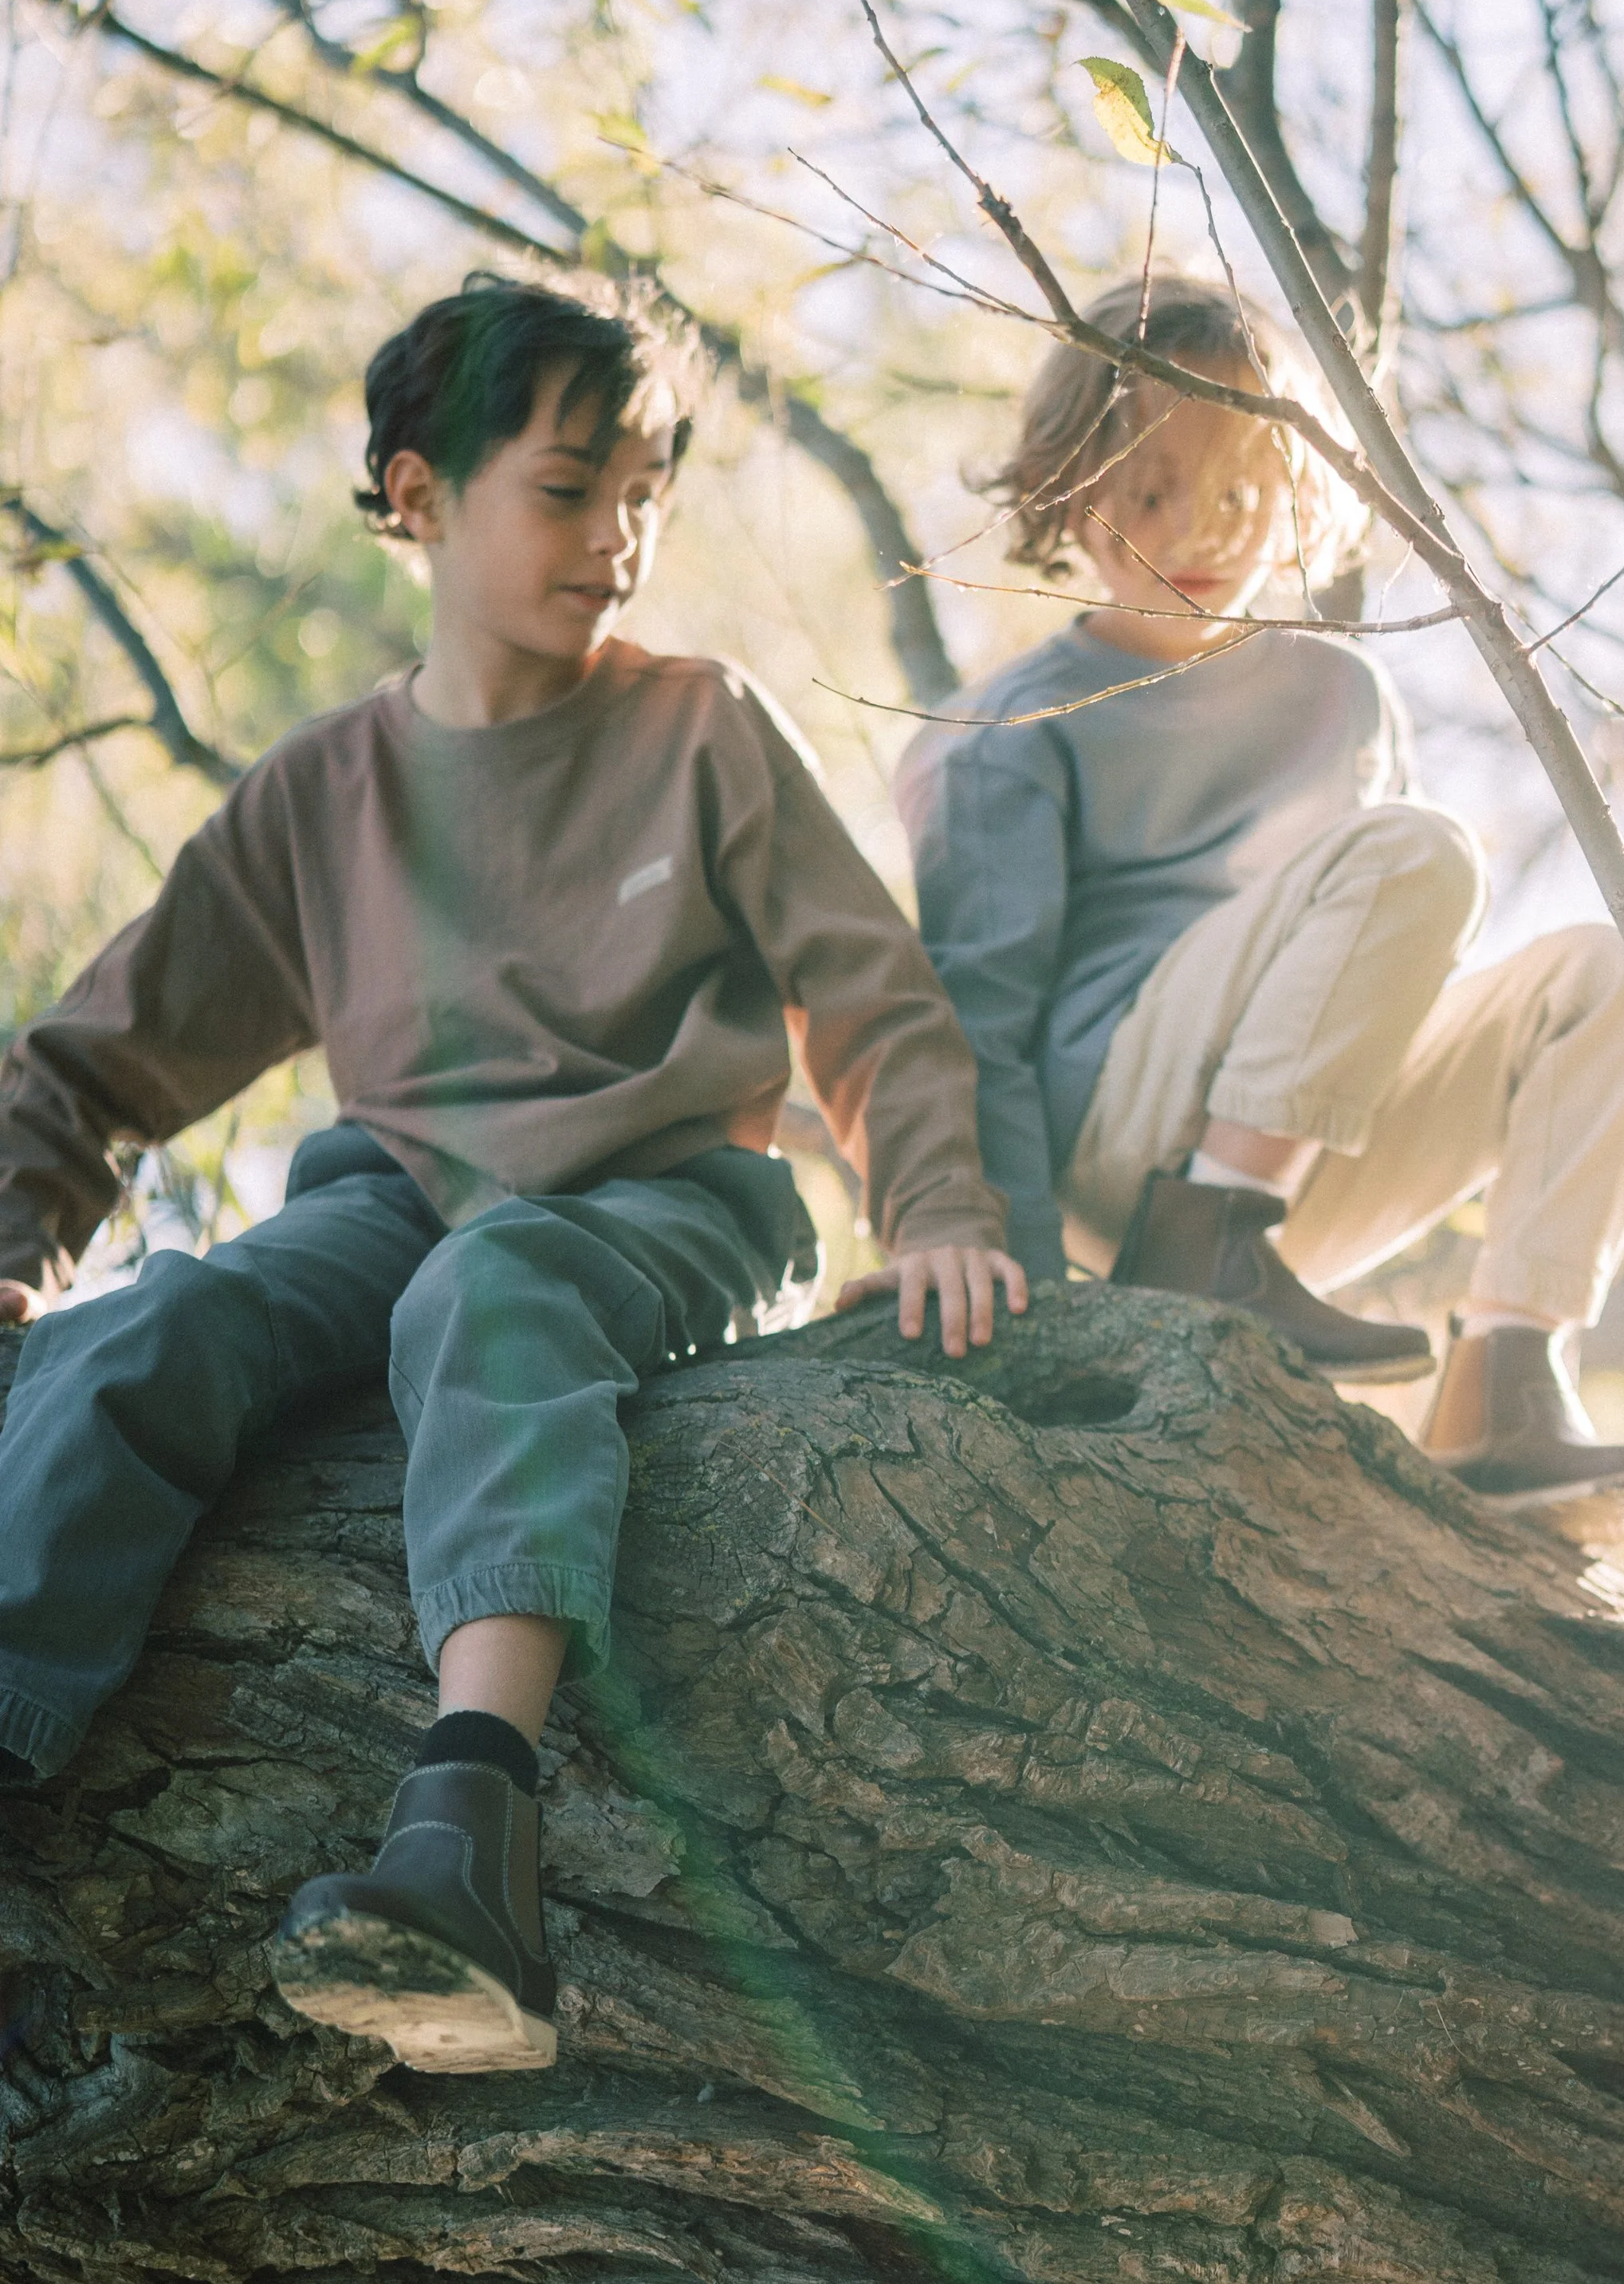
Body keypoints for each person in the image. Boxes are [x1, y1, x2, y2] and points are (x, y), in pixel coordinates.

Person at [0, 273, 1024, 2075]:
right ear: (416, 496)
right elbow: (101, 1055)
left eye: (644, 493)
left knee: (499, 1286)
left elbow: (867, 990)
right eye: (570, 489)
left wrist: (934, 1202)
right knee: (162, 1317)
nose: (619, 536)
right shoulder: (320, 795)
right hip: (389, 1192)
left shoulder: (699, 726)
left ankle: (469, 1839)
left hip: (663, 1198)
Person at [896, 273, 1624, 1506]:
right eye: (1152, 491)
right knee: (1418, 854)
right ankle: (1205, 1239)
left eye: (1241, 492)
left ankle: (1506, 1376)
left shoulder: (1343, 696)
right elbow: (977, 1023)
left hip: (1291, 1174)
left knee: (1614, 974)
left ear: (1299, 499)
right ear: (1070, 485)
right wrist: (1023, 1291)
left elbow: (1380, 970)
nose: (1198, 531)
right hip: (1116, 1141)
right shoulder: (1020, 725)